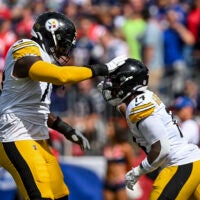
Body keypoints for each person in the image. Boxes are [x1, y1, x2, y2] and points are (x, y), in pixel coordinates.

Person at [0, 11, 128, 200]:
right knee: (40, 196)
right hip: (15, 135)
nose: (64, 49)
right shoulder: (25, 47)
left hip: (35, 137)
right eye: (63, 42)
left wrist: (65, 129)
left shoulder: (43, 57)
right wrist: (102, 69)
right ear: (51, 34)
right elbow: (60, 76)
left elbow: (37, 108)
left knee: (61, 194)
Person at [98, 58, 200, 199]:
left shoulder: (138, 108)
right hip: (191, 162)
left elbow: (162, 148)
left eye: (116, 82)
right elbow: (127, 112)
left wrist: (139, 171)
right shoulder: (142, 99)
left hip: (179, 164)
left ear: (128, 82)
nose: (112, 86)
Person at [103, 117, 134, 200]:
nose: (107, 129)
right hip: (108, 182)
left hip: (120, 182)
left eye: (110, 127)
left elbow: (130, 165)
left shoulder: (125, 147)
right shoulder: (107, 147)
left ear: (116, 130)